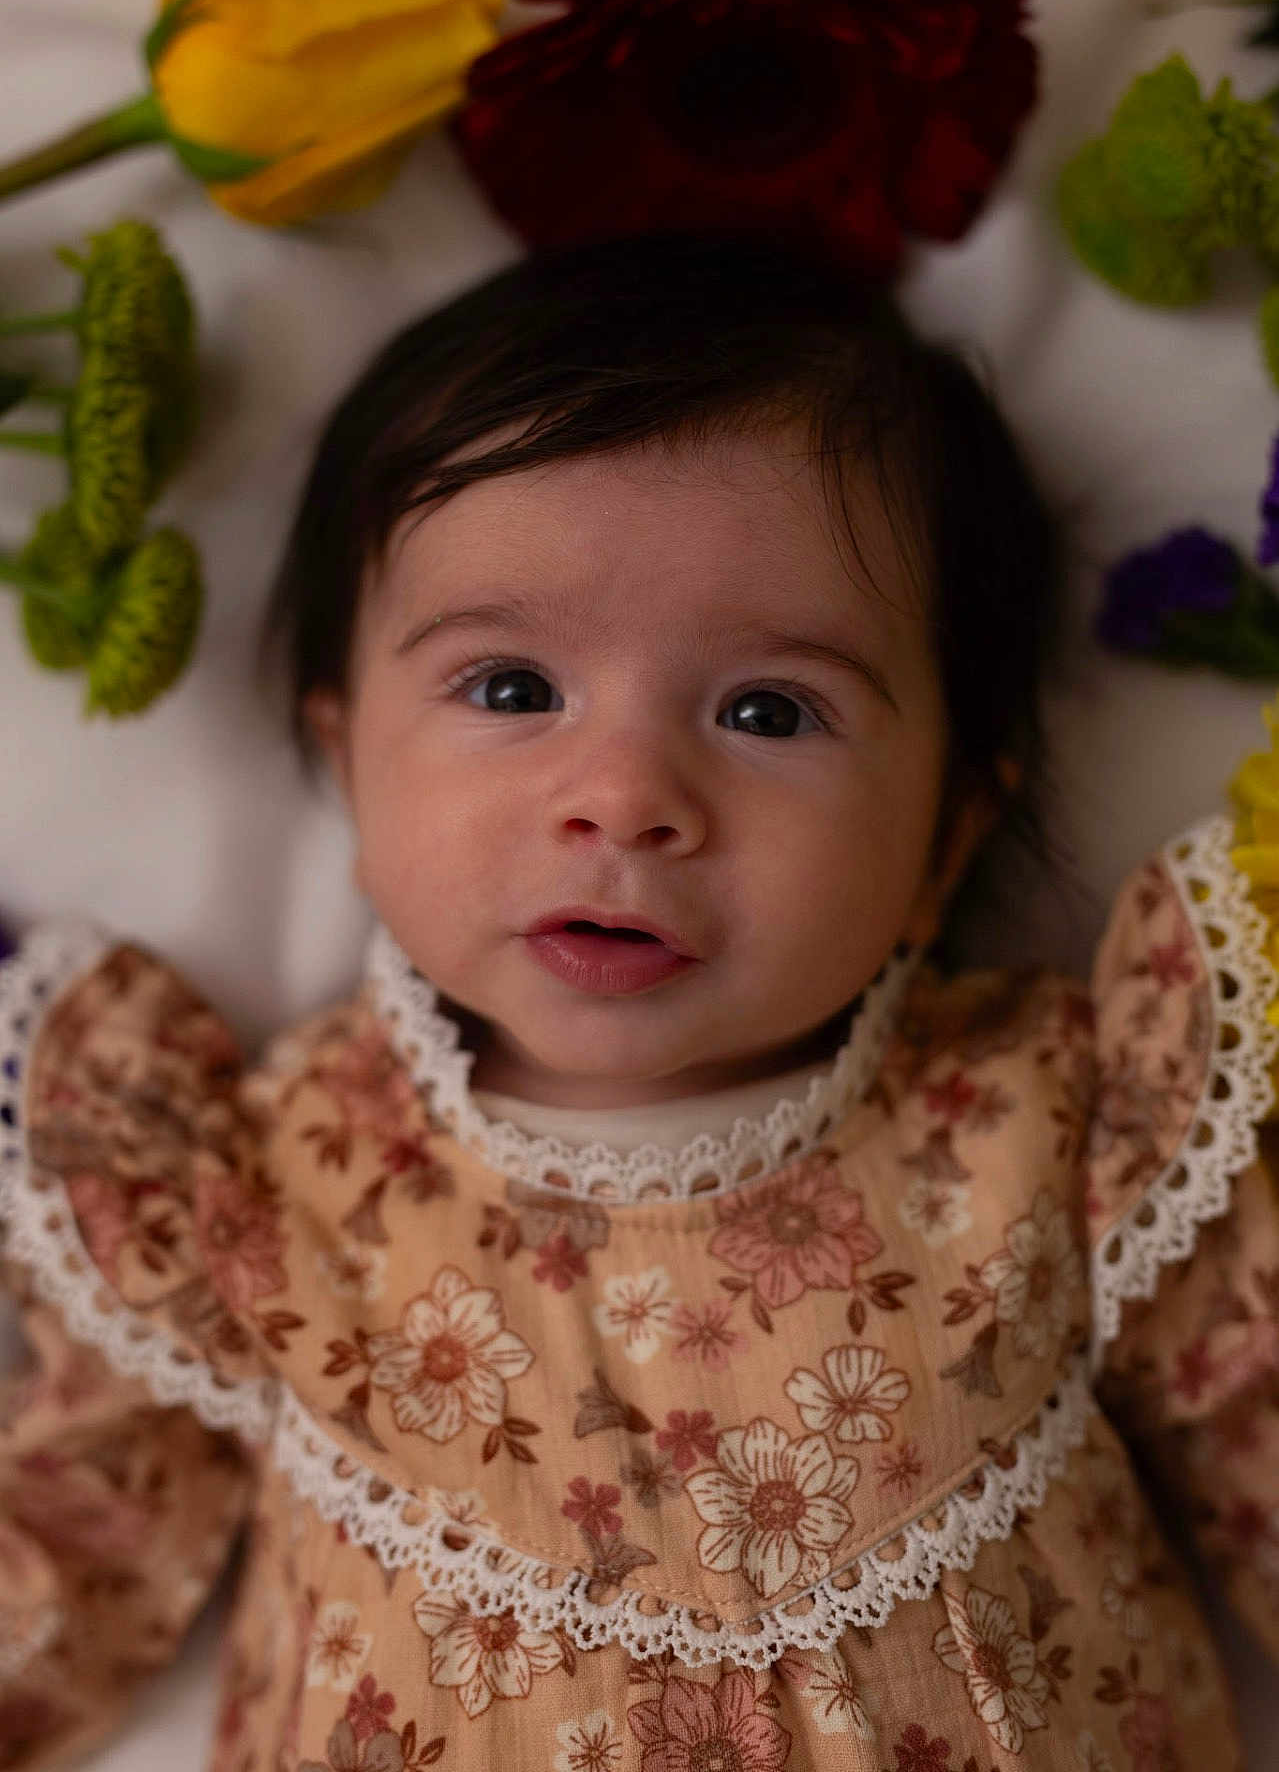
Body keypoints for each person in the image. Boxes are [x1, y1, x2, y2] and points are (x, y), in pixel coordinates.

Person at [1, 229, 1276, 1771]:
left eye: (766, 710)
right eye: (512, 689)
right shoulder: (259, 1173)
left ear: (947, 840)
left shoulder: (1061, 1116)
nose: (624, 797)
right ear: (345, 760)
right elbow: (75, 1556)